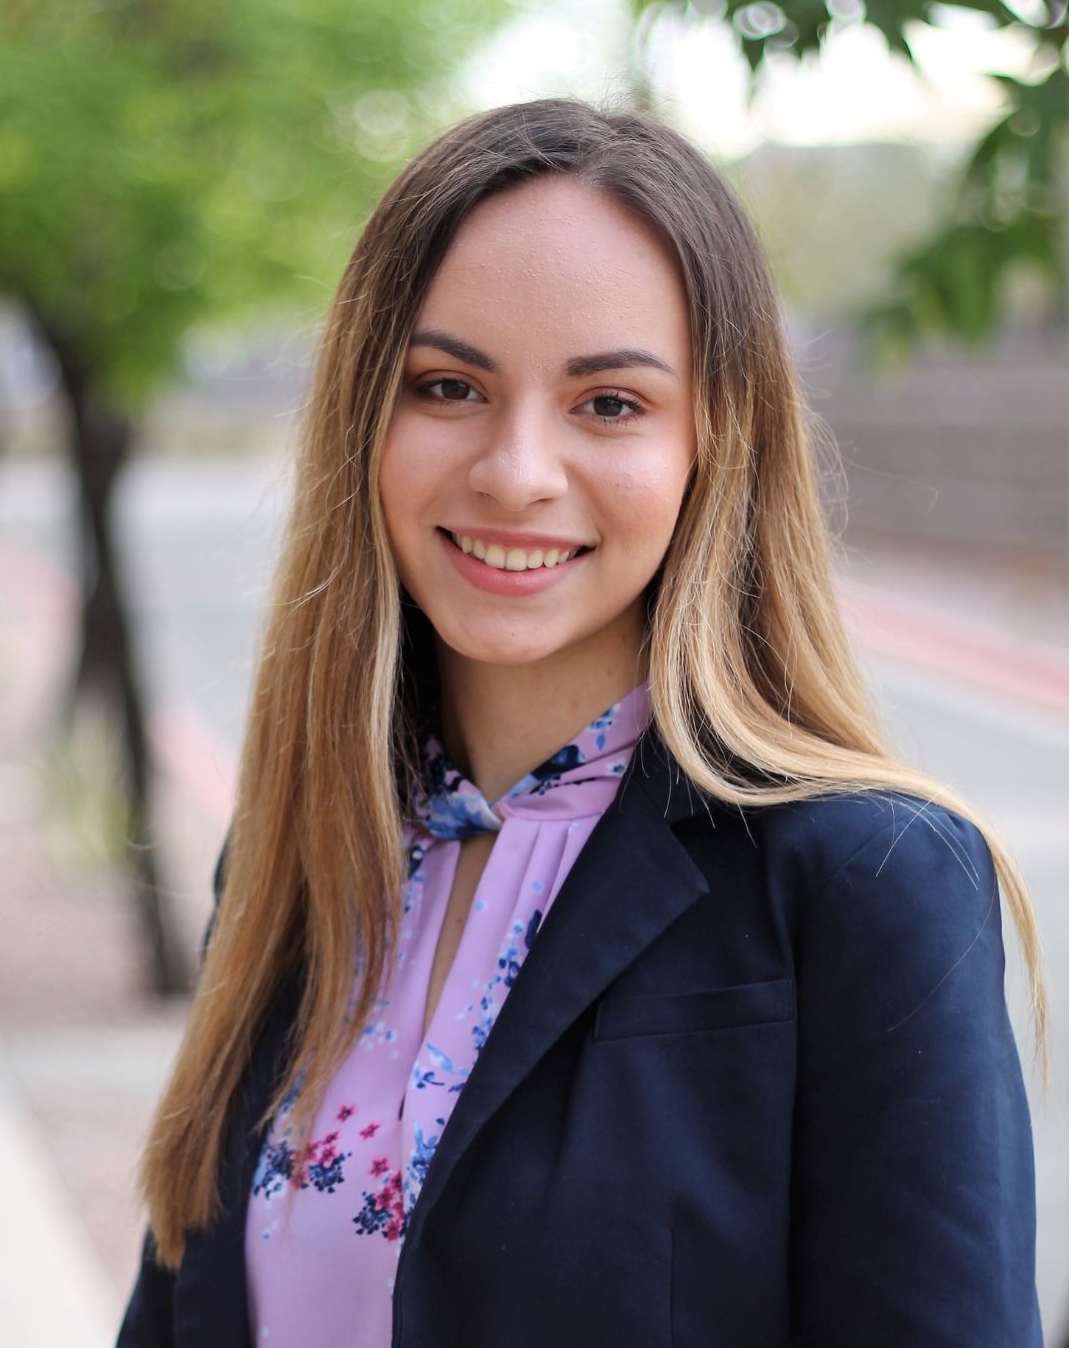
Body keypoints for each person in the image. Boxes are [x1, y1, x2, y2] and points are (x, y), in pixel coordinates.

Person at [117, 97, 1045, 1347]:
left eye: (609, 403)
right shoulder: (298, 852)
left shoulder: (866, 884)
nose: (516, 472)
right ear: (364, 420)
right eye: (449, 386)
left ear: (714, 443)